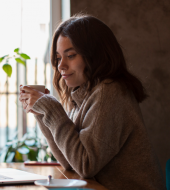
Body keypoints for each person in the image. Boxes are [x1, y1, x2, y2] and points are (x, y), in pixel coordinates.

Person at [19, 14, 165, 190]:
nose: (61, 66)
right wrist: (42, 114)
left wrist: (52, 109)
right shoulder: (83, 95)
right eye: (58, 58)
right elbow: (70, 162)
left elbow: (85, 165)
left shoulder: (110, 93)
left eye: (70, 55)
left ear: (95, 55)